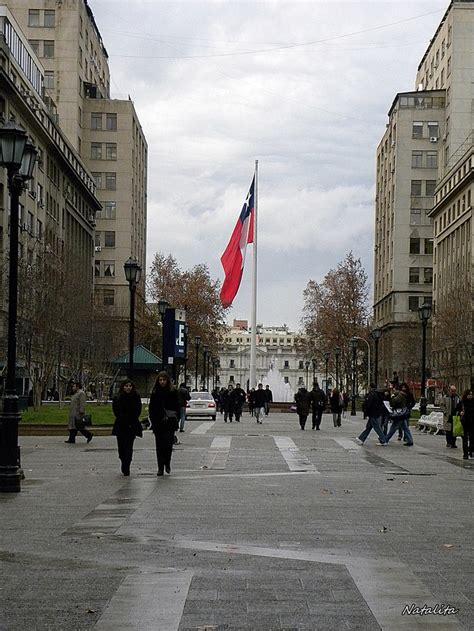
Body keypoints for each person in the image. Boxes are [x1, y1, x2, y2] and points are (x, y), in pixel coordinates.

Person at [149, 371, 180, 476]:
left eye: (164, 380)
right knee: (159, 446)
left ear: (167, 381)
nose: (162, 382)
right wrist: (153, 420)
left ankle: (167, 462)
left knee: (168, 445)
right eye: (160, 380)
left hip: (170, 422)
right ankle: (160, 467)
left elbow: (177, 407)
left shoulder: (173, 392)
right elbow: (151, 408)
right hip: (158, 423)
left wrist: (177, 419)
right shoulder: (155, 393)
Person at [112, 380, 142, 476]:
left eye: (130, 386)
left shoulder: (136, 397)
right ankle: (123, 459)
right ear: (123, 387)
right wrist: (122, 418)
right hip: (121, 425)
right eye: (126, 386)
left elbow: (138, 410)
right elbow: (116, 410)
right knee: (121, 447)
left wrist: (132, 420)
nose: (128, 388)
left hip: (132, 425)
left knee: (129, 446)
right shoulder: (118, 397)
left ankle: (127, 465)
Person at [460, 389, 474, 460]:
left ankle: (471, 450)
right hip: (464, 422)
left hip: (472, 422)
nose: (470, 396)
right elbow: (457, 409)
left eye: (471, 394)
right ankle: (465, 453)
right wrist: (460, 413)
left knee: (472, 437)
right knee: (464, 438)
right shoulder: (462, 402)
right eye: (469, 394)